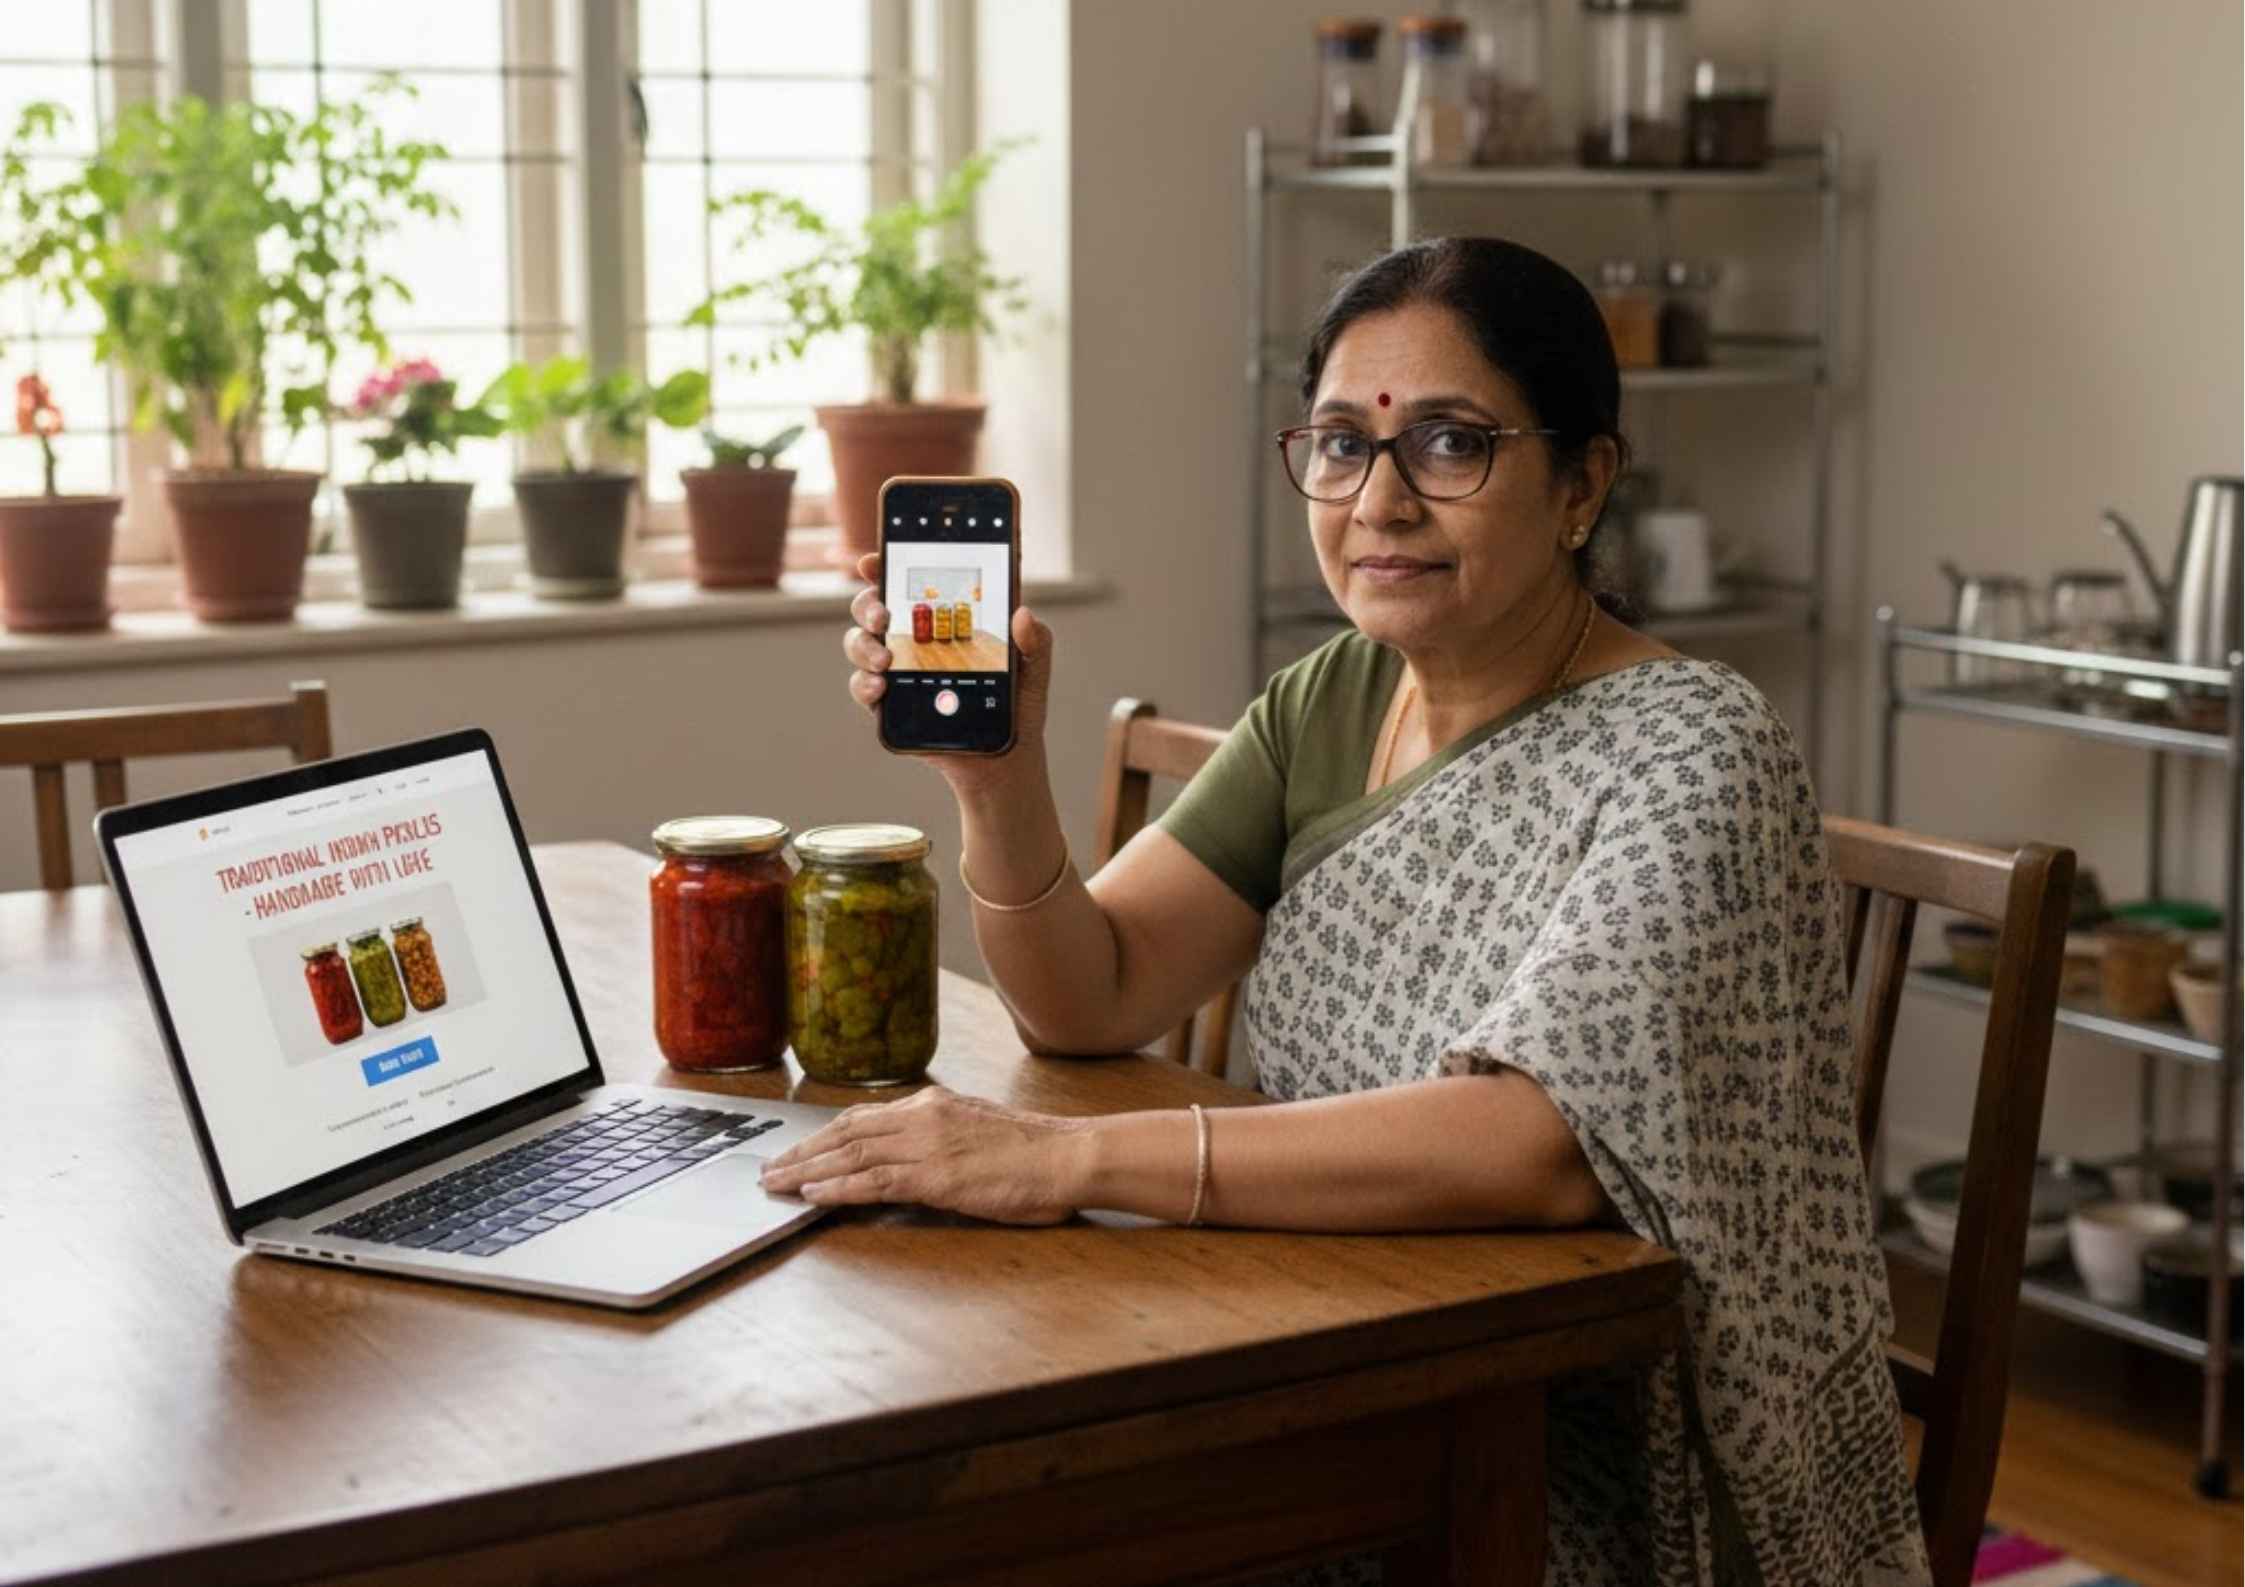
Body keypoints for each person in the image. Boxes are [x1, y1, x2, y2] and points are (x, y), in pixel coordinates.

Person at [760, 237, 1931, 1587]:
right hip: (1318, 1345)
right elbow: (1090, 997)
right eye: (1336, 444)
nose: (1377, 500)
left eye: (1448, 444)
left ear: (1581, 482)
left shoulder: (1693, 750)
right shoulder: (1334, 696)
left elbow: (1541, 1145)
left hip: (1561, 1449)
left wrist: (1060, 1164)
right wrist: (997, 774)